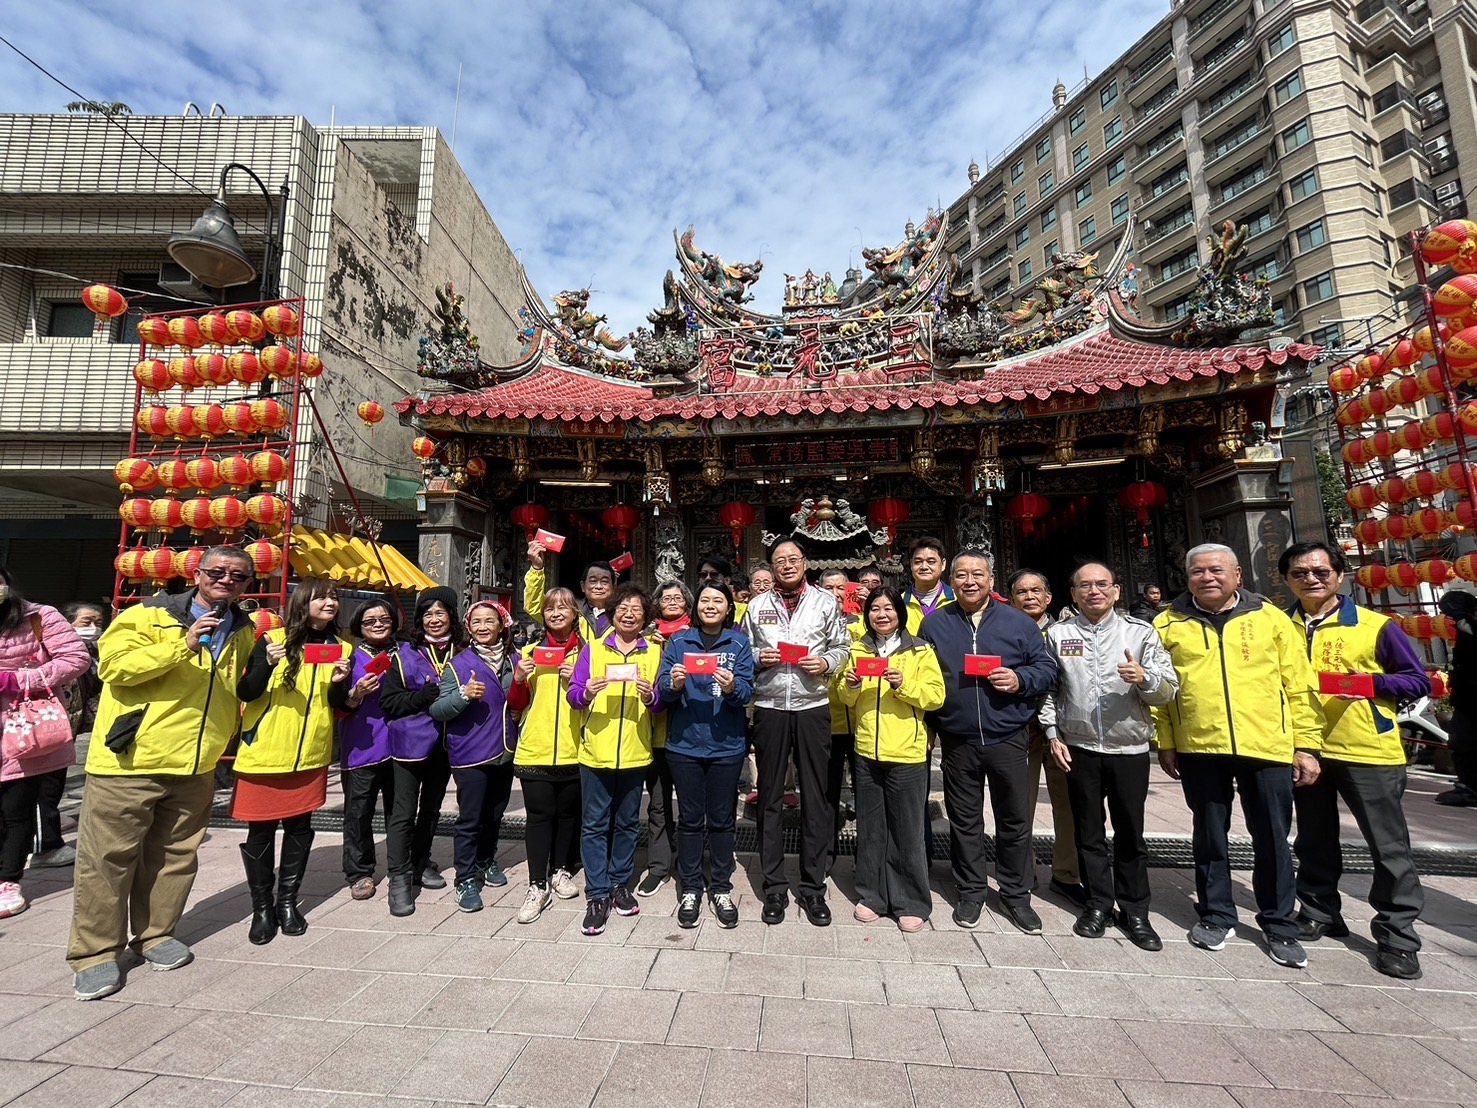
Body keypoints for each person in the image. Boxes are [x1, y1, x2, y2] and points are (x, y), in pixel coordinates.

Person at [68, 547, 257, 1001]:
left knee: (175, 855)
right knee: (107, 860)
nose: (227, 581)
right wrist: (183, 644)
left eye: (239, 576)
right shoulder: (147, 615)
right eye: (217, 572)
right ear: (197, 574)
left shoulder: (244, 628)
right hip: (131, 760)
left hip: (196, 763)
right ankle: (95, 954)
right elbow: (112, 668)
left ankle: (154, 934)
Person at [1152, 543, 1325, 968]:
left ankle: (1279, 922)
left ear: (1237, 575)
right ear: (1186, 576)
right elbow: (1160, 692)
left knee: (1272, 837)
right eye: (1197, 571)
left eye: (1216, 570)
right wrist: (1167, 741)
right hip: (1200, 744)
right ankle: (1216, 913)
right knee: (1209, 836)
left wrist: (1306, 745)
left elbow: (1299, 686)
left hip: (1266, 745)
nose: (1207, 577)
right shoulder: (1167, 623)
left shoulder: (1270, 621)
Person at [1281, 541, 1429, 980]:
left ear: (1339, 576)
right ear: (1287, 580)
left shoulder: (1375, 626)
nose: (1311, 579)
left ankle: (1398, 935)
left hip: (1368, 750)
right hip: (1306, 750)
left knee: (1388, 847)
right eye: (1300, 573)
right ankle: (1319, 910)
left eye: (1320, 572)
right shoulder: (1278, 626)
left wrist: (1370, 684)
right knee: (1313, 838)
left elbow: (1417, 681)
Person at [1039, 563, 1178, 950]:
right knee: (1089, 831)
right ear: (1073, 593)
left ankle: (1136, 910)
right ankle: (1098, 903)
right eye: (1085, 585)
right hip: (1079, 747)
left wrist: (1144, 679)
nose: (1094, 591)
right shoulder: (1058, 634)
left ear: (1116, 591)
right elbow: (1050, 691)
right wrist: (1053, 734)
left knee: (1131, 833)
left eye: (1102, 585)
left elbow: (1168, 689)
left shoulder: (1140, 632)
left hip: (1129, 748)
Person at [921, 549, 1058, 934]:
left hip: (1008, 735)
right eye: (961, 574)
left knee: (1014, 820)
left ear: (991, 580)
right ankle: (971, 890)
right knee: (965, 821)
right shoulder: (935, 624)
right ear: (952, 581)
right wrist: (931, 726)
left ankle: (1016, 894)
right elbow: (923, 674)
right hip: (958, 738)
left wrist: (1019, 681)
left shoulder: (1018, 622)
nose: (969, 581)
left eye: (977, 574)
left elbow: (1046, 668)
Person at [234, 578, 359, 944]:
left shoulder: (341, 648)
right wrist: (267, 667)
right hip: (266, 752)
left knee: (300, 828)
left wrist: (342, 685)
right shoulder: (271, 640)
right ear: (303, 602)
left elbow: (333, 703)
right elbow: (246, 691)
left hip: (311, 753)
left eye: (335, 597)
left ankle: (287, 902)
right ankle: (261, 908)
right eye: (321, 597)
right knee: (260, 832)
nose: (330, 603)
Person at [741, 539, 851, 926]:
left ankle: (812, 888)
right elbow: (744, 650)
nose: (787, 565)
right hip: (770, 708)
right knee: (769, 797)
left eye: (793, 559)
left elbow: (843, 646)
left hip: (813, 707)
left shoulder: (825, 603)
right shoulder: (757, 606)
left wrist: (825, 661)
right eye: (779, 561)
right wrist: (758, 657)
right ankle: (773, 887)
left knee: (816, 798)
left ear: (805, 563)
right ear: (771, 568)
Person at [839, 586, 945, 932]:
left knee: (907, 829)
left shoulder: (919, 650)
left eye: (888, 608)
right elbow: (844, 696)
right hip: (867, 749)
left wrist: (904, 685)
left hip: (907, 752)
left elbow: (935, 697)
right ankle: (872, 895)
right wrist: (852, 685)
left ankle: (911, 900)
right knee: (871, 828)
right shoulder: (858, 649)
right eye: (874, 609)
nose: (881, 615)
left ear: (900, 612)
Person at [568, 584, 665, 936]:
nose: (628, 614)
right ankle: (597, 894)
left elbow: (661, 702)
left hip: (637, 751)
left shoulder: (653, 653)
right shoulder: (593, 649)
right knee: (594, 824)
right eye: (622, 607)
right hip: (596, 751)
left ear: (645, 617)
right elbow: (574, 696)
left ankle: (620, 884)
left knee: (626, 824)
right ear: (611, 612)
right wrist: (586, 692)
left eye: (636, 609)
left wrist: (652, 696)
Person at [658, 582, 754, 928]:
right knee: (690, 818)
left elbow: (746, 692)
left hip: (726, 745)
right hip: (684, 744)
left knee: (722, 819)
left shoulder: (739, 643)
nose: (711, 606)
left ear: (729, 608)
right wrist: (674, 683)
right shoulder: (679, 642)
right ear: (695, 607)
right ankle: (691, 888)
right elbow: (662, 691)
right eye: (705, 601)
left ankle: (722, 886)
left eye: (718, 601)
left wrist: (730, 688)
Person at [0, 571, 89, 919]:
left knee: (15, 809)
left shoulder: (39, 616)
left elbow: (75, 659)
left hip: (23, 728)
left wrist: (19, 679)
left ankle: (8, 879)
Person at [378, 587, 462, 917]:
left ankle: (420, 861)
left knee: (430, 809)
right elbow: (389, 703)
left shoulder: (463, 651)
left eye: (440, 613)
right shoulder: (405, 655)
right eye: (427, 614)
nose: (434, 619)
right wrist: (423, 696)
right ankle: (398, 879)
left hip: (446, 745)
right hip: (410, 746)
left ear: (452, 617)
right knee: (403, 813)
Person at [430, 601, 517, 913]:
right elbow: (437, 710)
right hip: (470, 752)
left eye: (489, 621)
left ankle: (485, 859)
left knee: (495, 814)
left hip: (505, 749)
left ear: (501, 625)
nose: (483, 627)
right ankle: (464, 877)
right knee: (470, 818)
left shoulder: (514, 659)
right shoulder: (457, 664)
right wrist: (464, 695)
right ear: (468, 628)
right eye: (476, 622)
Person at [507, 588, 587, 922]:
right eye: (550, 608)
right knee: (539, 817)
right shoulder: (528, 651)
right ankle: (537, 885)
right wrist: (519, 678)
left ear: (575, 614)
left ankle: (562, 871)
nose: (556, 613)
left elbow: (592, 699)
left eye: (563, 608)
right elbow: (516, 703)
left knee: (568, 815)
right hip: (535, 748)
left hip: (574, 747)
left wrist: (577, 681)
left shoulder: (587, 653)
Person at [1007, 569, 1083, 906]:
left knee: (1067, 805)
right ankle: (1021, 869)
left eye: (1036, 590)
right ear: (1011, 599)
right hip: (1018, 730)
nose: (1029, 597)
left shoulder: (1068, 633)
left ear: (1049, 597)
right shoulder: (1004, 633)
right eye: (1021, 592)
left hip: (1062, 733)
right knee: (1017, 804)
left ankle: (1067, 873)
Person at [30, 601, 106, 869]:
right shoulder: (51, 651)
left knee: (52, 785)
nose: (94, 628)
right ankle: (45, 846)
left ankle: (45, 830)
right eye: (86, 622)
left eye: (98, 622)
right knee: (43, 788)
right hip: (45, 729)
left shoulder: (95, 651)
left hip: (66, 731)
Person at [338, 601, 397, 900]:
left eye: (384, 618)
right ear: (358, 625)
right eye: (370, 620)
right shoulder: (347, 657)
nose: (378, 624)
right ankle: (359, 871)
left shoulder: (404, 654)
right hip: (361, 746)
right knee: (358, 813)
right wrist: (355, 693)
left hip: (399, 747)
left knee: (398, 812)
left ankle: (402, 863)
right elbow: (335, 703)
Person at [636, 582, 688, 897]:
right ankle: (658, 866)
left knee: (693, 805)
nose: (670, 601)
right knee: (657, 804)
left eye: (677, 597)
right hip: (653, 734)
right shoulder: (644, 639)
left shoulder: (697, 637)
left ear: (687, 603)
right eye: (665, 597)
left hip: (688, 734)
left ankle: (688, 859)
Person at [820, 569, 864, 870]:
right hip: (827, 718)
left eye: (841, 587)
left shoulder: (865, 622)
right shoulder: (815, 622)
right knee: (827, 790)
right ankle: (825, 852)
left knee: (866, 791)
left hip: (863, 719)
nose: (836, 593)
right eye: (829, 587)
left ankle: (868, 853)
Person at [1436, 583, 1477, 807]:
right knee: (1462, 742)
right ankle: (1468, 787)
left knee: (1466, 741)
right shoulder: (1465, 624)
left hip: (1471, 694)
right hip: (1466, 697)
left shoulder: (1468, 624)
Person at [525, 545, 615, 643]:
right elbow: (535, 605)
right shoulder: (572, 609)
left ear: (614, 586)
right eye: (593, 581)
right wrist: (537, 569)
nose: (598, 586)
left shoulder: (622, 613)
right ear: (583, 586)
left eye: (605, 582)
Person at [900, 536, 954, 634]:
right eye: (918, 562)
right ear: (911, 564)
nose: (924, 567)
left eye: (931, 562)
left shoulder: (957, 600)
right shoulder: (899, 603)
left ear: (943, 564)